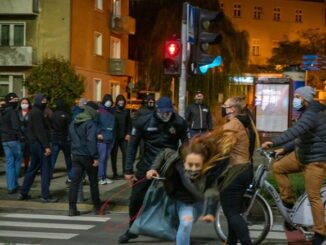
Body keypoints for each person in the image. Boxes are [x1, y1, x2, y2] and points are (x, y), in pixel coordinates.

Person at [146, 129, 236, 245]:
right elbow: (163, 152)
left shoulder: (208, 173)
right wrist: (153, 168)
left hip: (193, 201)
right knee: (180, 222)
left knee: (185, 222)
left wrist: (209, 212)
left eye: (197, 165)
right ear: (183, 161)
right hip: (175, 199)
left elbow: (212, 190)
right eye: (190, 165)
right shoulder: (176, 160)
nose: (193, 169)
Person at [118, 96, 188, 243]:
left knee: (172, 201)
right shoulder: (142, 121)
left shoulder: (179, 122)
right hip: (147, 165)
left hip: (169, 165)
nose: (165, 115)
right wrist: (128, 170)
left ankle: (174, 230)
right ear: (157, 109)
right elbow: (132, 147)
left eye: (168, 112)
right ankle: (132, 229)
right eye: (162, 112)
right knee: (136, 199)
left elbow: (186, 145)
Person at [262, 86, 326, 245]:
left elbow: (295, 131)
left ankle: (320, 232)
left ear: (305, 99)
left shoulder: (312, 114)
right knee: (278, 167)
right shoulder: (307, 113)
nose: (294, 100)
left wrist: (274, 142)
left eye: (297, 97)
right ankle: (288, 202)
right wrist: (284, 149)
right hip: (302, 155)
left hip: (316, 161)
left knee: (314, 197)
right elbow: (300, 137)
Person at [219, 96, 255, 245]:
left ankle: (246, 242)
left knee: (232, 212)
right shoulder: (247, 123)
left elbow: (222, 150)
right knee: (233, 211)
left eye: (225, 105)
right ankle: (231, 242)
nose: (222, 107)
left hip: (235, 172)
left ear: (232, 109)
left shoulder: (232, 125)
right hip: (246, 169)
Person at [19, 93, 57, 202]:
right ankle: (45, 195)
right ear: (39, 101)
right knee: (46, 170)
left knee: (33, 168)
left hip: (34, 144)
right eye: (44, 100)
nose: (45, 102)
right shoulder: (37, 113)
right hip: (40, 145)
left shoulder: (34, 112)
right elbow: (40, 131)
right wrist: (46, 146)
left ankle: (24, 192)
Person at [68, 101, 102, 216]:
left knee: (74, 182)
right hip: (88, 156)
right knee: (93, 182)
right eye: (96, 110)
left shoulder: (74, 122)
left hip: (76, 155)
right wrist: (96, 157)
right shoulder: (90, 123)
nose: (98, 112)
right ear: (92, 110)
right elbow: (91, 141)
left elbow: (70, 138)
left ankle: (72, 209)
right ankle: (96, 207)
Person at [0, 92, 22, 194]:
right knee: (17, 162)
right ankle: (15, 184)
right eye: (14, 100)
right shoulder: (13, 112)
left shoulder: (2, 111)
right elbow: (16, 126)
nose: (16, 102)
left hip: (4, 140)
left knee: (9, 163)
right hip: (13, 139)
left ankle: (10, 186)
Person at [51, 98, 73, 183]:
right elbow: (70, 128)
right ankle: (70, 175)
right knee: (68, 159)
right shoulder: (67, 115)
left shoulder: (53, 114)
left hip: (55, 138)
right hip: (65, 139)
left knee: (53, 158)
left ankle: (49, 174)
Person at [111, 94, 131, 179]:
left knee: (126, 154)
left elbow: (129, 124)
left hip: (123, 137)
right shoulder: (112, 110)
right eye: (119, 100)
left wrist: (128, 133)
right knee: (113, 155)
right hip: (114, 137)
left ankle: (125, 172)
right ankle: (115, 173)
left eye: (122, 100)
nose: (121, 102)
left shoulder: (126, 111)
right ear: (117, 101)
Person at [97, 94, 116, 185]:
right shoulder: (99, 111)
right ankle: (101, 177)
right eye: (107, 100)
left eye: (110, 100)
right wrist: (98, 133)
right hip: (102, 139)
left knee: (105, 159)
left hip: (110, 138)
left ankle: (104, 176)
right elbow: (96, 123)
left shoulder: (111, 111)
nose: (109, 102)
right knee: (102, 158)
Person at [18, 97, 31, 173]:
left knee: (27, 154)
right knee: (19, 154)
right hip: (20, 136)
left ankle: (26, 167)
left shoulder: (31, 112)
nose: (24, 104)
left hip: (29, 136)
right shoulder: (17, 112)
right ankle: (18, 168)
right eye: (23, 103)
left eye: (26, 103)